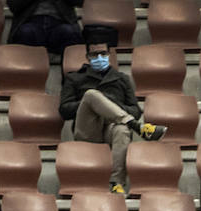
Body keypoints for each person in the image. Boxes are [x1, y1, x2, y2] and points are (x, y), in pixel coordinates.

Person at [58, 25, 167, 194]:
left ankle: (116, 183)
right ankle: (138, 127)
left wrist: (111, 103)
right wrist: (93, 103)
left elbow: (136, 110)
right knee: (91, 94)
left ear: (109, 55)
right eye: (94, 55)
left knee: (122, 129)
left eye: (103, 54)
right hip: (88, 128)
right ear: (87, 57)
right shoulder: (74, 78)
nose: (99, 57)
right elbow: (64, 110)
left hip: (112, 127)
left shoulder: (122, 79)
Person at [8, 0, 84, 56]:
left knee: (70, 32)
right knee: (26, 32)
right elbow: (13, 5)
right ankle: (28, 75)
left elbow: (79, 2)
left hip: (60, 23)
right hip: (31, 22)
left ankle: (71, 76)